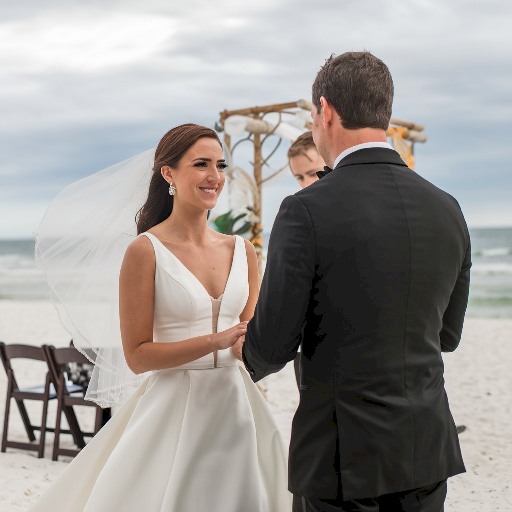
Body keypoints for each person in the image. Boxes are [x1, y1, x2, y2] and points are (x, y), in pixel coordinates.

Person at [236, 52, 471, 511]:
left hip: (343, 458)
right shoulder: (448, 208)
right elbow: (447, 334)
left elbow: (274, 343)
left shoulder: (306, 209)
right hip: (425, 451)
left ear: (325, 111)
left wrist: (238, 353)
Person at [30, 124, 292, 511]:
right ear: (168, 173)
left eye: (219, 165)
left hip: (237, 407)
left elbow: (244, 341)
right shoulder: (144, 250)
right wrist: (214, 340)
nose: (213, 176)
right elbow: (137, 356)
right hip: (171, 409)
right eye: (200, 164)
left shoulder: (243, 250)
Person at [287, 131, 323, 388]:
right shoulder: (300, 212)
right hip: (308, 346)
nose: (306, 183)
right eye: (299, 177)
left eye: (313, 173)